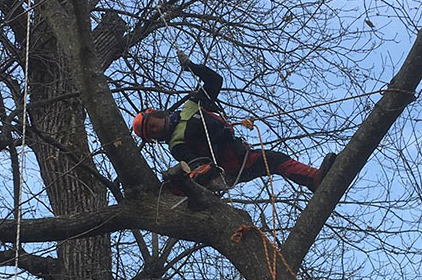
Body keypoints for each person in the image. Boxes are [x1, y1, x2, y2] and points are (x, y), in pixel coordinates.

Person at [132, 53, 333, 194]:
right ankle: (314, 178)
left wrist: (193, 67)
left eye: (152, 124)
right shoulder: (176, 144)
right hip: (224, 166)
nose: (155, 129)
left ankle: (313, 178)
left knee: (276, 159)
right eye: (151, 132)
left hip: (239, 154)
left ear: (157, 115)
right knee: (273, 160)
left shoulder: (191, 106)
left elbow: (215, 81)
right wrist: (204, 173)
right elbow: (193, 163)